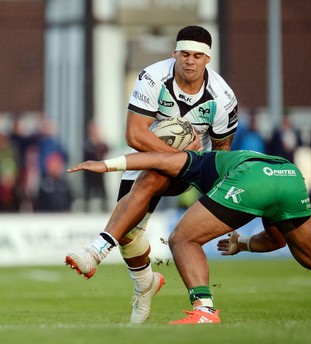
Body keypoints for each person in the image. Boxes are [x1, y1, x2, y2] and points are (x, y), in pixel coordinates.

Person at [66, 149, 311, 324]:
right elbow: (277, 239)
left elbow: (155, 159)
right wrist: (243, 244)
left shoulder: (197, 161)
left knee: (182, 238)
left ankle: (205, 310)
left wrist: (106, 164)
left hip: (252, 175)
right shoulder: (230, 161)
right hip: (287, 174)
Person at [67, 25, 238, 324]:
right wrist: (173, 155)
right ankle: (145, 283)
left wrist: (227, 210)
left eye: (198, 56)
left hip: (195, 165)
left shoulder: (223, 98)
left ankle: (95, 252)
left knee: (151, 179)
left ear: (207, 59)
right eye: (184, 53)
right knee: (128, 232)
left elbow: (221, 156)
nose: (190, 61)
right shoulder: (152, 77)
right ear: (175, 53)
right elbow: (134, 134)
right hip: (154, 155)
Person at [83, 120, 109, 212]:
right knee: (88, 191)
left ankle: (105, 207)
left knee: (102, 191)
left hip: (100, 173)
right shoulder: (88, 144)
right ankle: (86, 208)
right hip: (90, 173)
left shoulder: (101, 144)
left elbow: (106, 150)